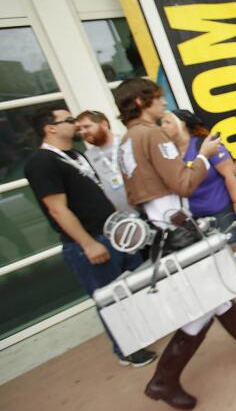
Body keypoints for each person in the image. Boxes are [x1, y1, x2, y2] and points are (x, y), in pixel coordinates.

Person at [113, 78, 236, 410]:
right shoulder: (152, 134)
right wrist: (203, 155)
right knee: (202, 305)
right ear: (143, 102)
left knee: (213, 292)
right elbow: (183, 183)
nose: (163, 107)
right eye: (158, 100)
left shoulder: (125, 141)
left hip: (162, 226)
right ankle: (164, 379)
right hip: (178, 228)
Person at [24, 106, 155, 367]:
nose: (76, 124)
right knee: (110, 300)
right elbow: (57, 209)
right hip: (90, 243)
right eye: (70, 120)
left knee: (134, 288)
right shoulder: (41, 162)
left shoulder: (73, 155)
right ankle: (128, 350)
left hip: (114, 235)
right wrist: (88, 244)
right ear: (51, 128)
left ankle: (143, 333)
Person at [159, 109, 236, 305]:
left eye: (167, 122)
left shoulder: (204, 144)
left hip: (220, 207)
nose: (162, 127)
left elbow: (229, 175)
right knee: (214, 254)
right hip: (194, 216)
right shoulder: (170, 154)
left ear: (182, 124)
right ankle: (233, 289)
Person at [76, 110, 132, 214]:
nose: (82, 132)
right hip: (122, 217)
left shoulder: (126, 142)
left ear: (104, 124)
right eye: (79, 129)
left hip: (147, 207)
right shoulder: (87, 157)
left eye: (87, 127)